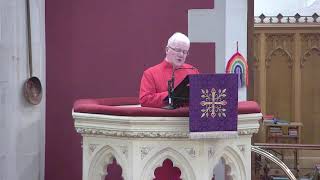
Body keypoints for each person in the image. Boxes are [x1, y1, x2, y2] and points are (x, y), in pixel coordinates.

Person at [139, 32, 199, 108]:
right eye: (178, 50)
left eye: (185, 52)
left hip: (188, 118)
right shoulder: (150, 73)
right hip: (164, 119)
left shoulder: (192, 71)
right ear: (167, 50)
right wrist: (173, 95)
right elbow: (145, 100)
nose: (181, 55)